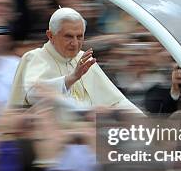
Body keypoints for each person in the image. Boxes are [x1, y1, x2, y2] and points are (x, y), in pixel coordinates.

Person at [8, 7, 140, 111]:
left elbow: (116, 101)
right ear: (50, 35)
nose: (75, 43)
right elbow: (34, 94)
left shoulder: (84, 59)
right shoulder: (34, 57)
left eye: (79, 36)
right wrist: (71, 78)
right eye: (68, 36)